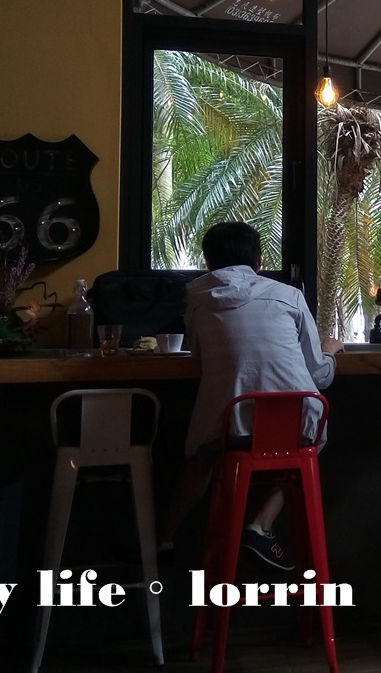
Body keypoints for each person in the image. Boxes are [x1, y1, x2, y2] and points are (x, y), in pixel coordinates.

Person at [156, 221, 343, 571]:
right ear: (259, 262)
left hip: (227, 428)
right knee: (308, 449)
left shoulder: (197, 300)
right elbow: (320, 376)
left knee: (201, 457)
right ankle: (261, 524)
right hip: (294, 425)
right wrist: (330, 351)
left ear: (208, 263)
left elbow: (198, 356)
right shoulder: (288, 296)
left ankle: (163, 538)